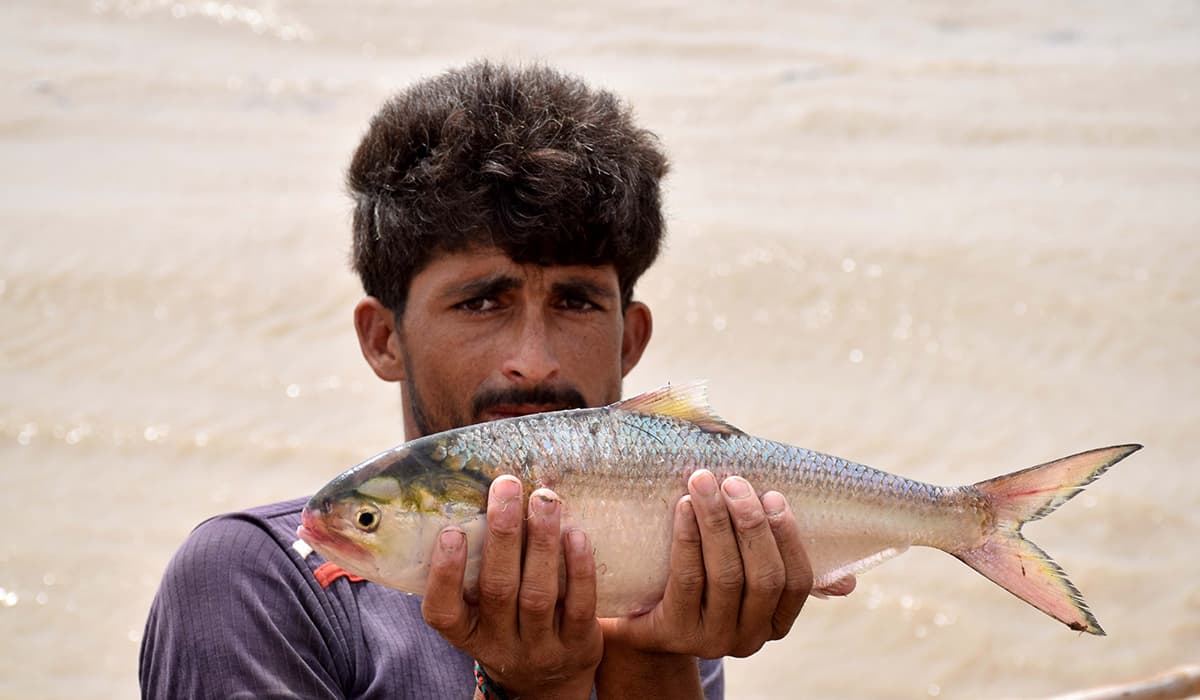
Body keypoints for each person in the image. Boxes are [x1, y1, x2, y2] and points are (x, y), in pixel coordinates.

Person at [139, 61, 852, 699]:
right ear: (383, 338)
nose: (534, 360)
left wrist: (654, 653)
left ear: (631, 340)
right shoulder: (256, 587)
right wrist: (535, 690)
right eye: (482, 301)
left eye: (576, 301)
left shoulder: (666, 562)